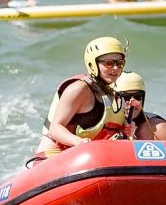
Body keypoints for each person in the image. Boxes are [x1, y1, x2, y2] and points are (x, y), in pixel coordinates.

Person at [28, 37, 133, 165]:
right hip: (51, 159)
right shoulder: (79, 89)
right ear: (92, 64)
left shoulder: (113, 97)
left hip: (84, 160)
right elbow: (55, 128)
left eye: (120, 63)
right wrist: (78, 142)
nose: (116, 68)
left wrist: (123, 131)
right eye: (109, 63)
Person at [112, 72, 166, 141]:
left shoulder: (158, 129)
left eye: (138, 97)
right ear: (113, 99)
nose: (133, 102)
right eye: (126, 97)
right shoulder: (103, 124)